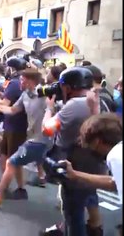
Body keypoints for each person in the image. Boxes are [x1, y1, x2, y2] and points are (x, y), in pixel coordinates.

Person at [41, 67, 107, 236]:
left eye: (62, 85)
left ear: (68, 87)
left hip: (75, 167)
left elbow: (47, 129)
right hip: (95, 166)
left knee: (73, 213)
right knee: (86, 199)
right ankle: (94, 226)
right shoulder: (101, 100)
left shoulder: (75, 104)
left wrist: (49, 109)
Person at [0, 68, 51, 205]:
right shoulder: (25, 95)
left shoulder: (44, 94)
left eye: (23, 80)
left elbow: (56, 107)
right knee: (15, 161)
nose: (20, 83)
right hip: (33, 138)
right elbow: (12, 110)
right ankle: (18, 190)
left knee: (12, 162)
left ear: (30, 81)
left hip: (41, 139)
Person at [62, 113, 122, 236]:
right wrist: (75, 174)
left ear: (97, 141)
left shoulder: (116, 156)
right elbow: (114, 182)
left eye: (89, 144)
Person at [0, 57, 29, 194]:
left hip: (15, 125)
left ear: (12, 68)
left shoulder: (14, 83)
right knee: (5, 155)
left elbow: (5, 104)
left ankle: (18, 188)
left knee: (12, 159)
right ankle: (6, 184)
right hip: (14, 124)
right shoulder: (17, 83)